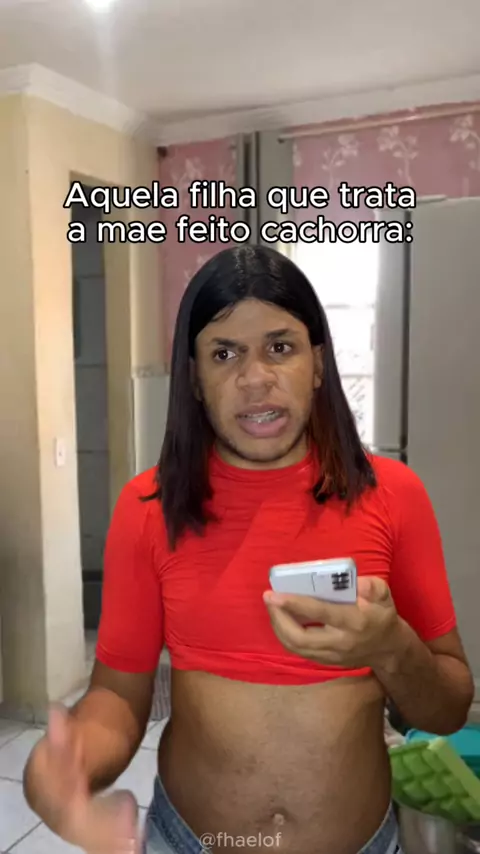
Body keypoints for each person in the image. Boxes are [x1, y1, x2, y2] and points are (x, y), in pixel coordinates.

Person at [23, 245, 474, 854]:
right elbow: (117, 696)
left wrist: (391, 648)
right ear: (194, 378)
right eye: (224, 353)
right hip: (189, 841)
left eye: (280, 347)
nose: (255, 377)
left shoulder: (394, 495)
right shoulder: (148, 508)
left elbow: (449, 708)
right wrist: (71, 764)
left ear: (318, 364)